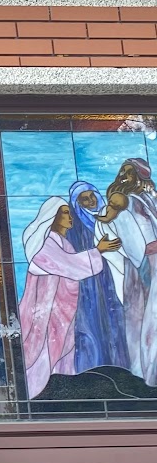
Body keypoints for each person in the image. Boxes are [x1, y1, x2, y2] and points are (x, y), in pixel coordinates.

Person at [18, 198, 116, 399]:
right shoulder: (44, 245)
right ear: (52, 217)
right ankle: (35, 394)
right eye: (64, 212)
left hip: (60, 314)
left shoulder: (64, 244)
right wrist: (98, 250)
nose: (70, 216)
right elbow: (70, 266)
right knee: (42, 352)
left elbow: (70, 268)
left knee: (62, 350)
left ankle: (57, 393)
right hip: (43, 315)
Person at [96, 158, 157, 384]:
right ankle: (144, 373)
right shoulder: (123, 201)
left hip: (149, 260)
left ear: (140, 177)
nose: (123, 175)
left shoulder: (147, 200)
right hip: (141, 263)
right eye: (122, 171)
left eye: (129, 172)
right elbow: (114, 228)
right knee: (140, 316)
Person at [65, 181, 128, 372]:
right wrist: (98, 250)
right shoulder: (74, 228)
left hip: (110, 277)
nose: (91, 201)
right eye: (85, 199)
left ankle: (121, 369)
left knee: (115, 322)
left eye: (92, 195)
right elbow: (72, 258)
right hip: (88, 284)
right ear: (77, 204)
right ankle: (93, 371)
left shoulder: (109, 217)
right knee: (91, 326)